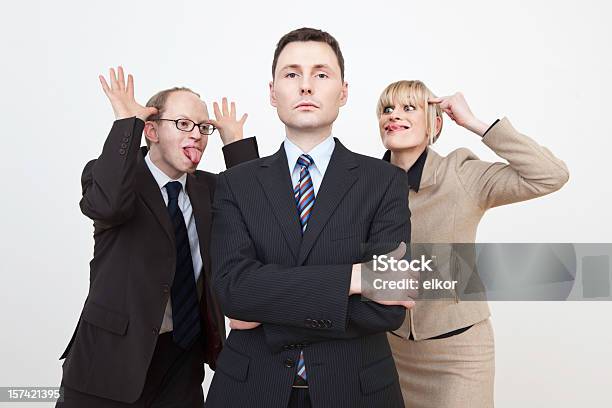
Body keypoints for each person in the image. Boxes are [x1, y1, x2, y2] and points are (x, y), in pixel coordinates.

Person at [206, 28, 414, 408]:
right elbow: (233, 291)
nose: (305, 86)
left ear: (343, 91)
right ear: (273, 93)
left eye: (321, 74)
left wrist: (266, 310)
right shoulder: (236, 183)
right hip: (250, 388)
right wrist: (352, 278)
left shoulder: (384, 181)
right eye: (291, 74)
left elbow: (388, 306)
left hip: (355, 389)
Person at [56, 66, 259, 407]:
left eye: (203, 127)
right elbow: (106, 206)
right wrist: (126, 123)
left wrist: (235, 145)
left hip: (183, 360)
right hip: (110, 362)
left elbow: (260, 220)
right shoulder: (113, 179)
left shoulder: (210, 189)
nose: (197, 135)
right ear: (151, 130)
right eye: (183, 124)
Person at [376, 80, 569, 407]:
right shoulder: (368, 182)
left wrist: (476, 124)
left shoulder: (462, 174)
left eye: (409, 107)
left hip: (458, 353)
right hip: (391, 350)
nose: (394, 115)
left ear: (433, 123)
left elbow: (550, 175)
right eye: (387, 108)